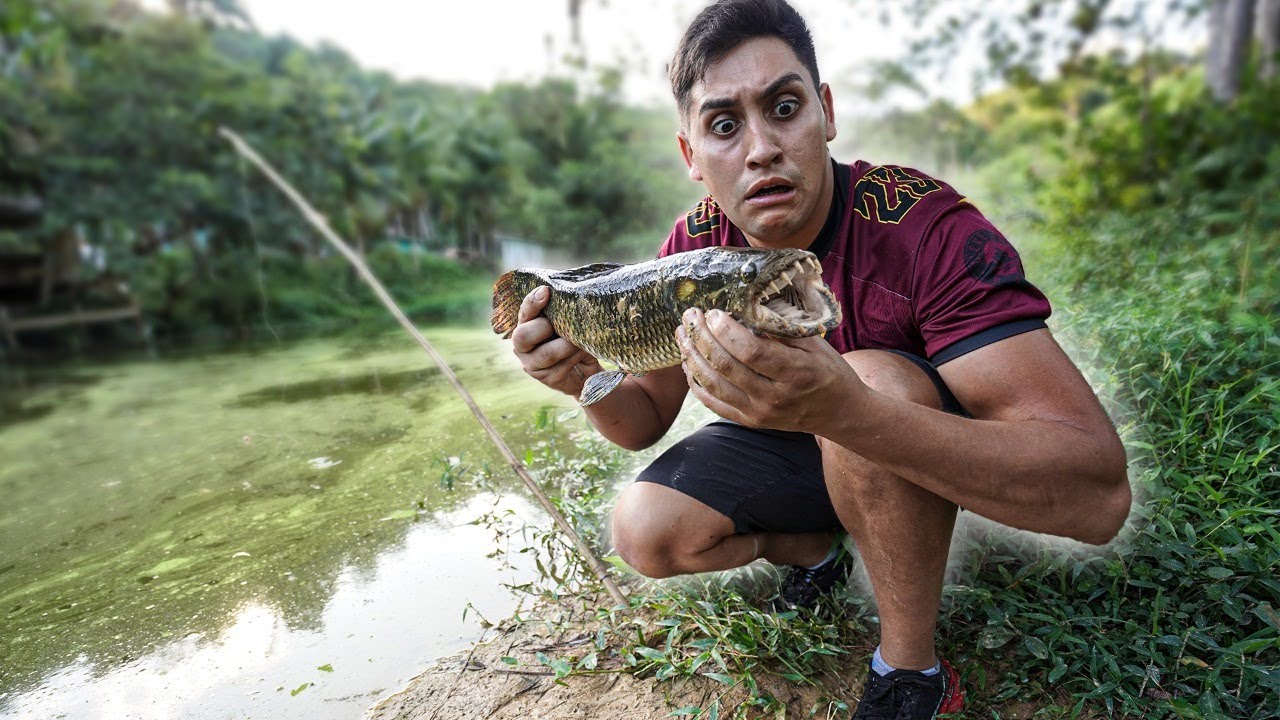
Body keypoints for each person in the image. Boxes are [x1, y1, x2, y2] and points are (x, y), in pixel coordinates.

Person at [505, 1, 1131, 716]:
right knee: (643, 531)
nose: (762, 147)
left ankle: (910, 669)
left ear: (825, 112)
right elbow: (644, 417)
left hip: (919, 443)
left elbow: (1098, 497)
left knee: (870, 376)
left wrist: (849, 411)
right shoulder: (693, 248)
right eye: (723, 124)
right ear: (691, 157)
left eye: (784, 106)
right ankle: (810, 549)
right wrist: (585, 378)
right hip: (802, 449)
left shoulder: (925, 228)